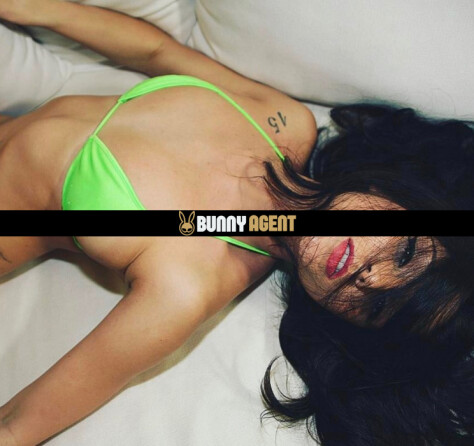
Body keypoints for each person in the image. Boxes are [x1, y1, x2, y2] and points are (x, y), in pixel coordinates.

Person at [0, 1, 473, 445]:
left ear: (338, 319)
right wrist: (35, 9)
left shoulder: (190, 285)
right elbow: (157, 51)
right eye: (406, 253)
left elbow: (18, 425)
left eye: (377, 308)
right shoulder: (286, 123)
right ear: (399, 197)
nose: (371, 279)